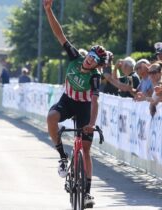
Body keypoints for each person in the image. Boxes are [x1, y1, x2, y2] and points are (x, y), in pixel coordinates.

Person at [43, 0, 107, 206]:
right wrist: (49, 10)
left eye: (94, 59)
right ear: (86, 54)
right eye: (90, 55)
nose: (90, 60)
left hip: (84, 108)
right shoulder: (75, 57)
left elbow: (95, 102)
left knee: (86, 149)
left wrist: (91, 123)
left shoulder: (95, 77)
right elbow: (59, 35)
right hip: (67, 101)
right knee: (52, 117)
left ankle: (87, 193)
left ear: (97, 64)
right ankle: (62, 156)